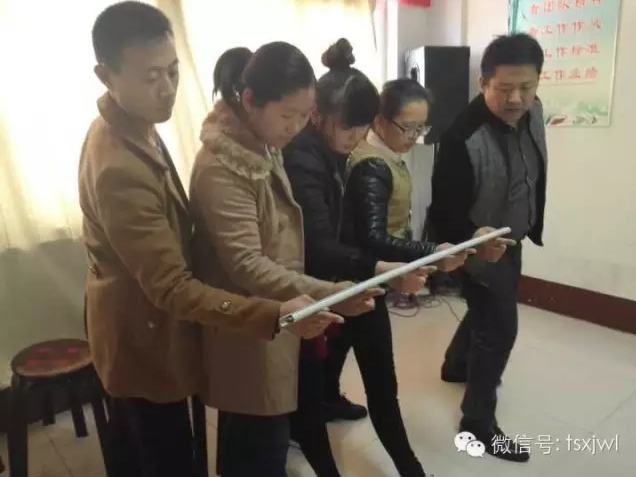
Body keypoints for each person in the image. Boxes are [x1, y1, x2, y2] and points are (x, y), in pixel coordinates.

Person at [79, 4, 342, 476]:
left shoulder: (138, 126)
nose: (168, 88)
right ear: (106, 76)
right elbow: (172, 287)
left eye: (173, 70)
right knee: (163, 457)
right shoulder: (119, 165)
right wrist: (274, 313)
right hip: (143, 337)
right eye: (151, 76)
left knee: (148, 450)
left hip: (151, 326)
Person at [188, 42, 383, 477]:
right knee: (258, 438)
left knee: (258, 435)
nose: (296, 126)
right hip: (248, 323)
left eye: (303, 114)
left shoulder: (263, 142)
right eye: (287, 115)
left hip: (274, 315)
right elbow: (246, 264)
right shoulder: (222, 166)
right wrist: (331, 293)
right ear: (249, 100)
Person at [284, 39, 439, 477]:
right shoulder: (302, 158)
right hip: (316, 288)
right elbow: (317, 243)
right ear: (317, 114)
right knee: (309, 390)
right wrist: (378, 267)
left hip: (352, 277)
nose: (355, 138)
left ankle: (408, 466)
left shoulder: (337, 151)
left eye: (360, 128)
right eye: (349, 129)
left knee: (379, 378)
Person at [428, 33, 547, 462]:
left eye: (526, 87)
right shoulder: (461, 136)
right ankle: (477, 423)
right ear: (483, 83)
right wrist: (474, 240)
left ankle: (456, 365)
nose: (517, 98)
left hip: (512, 238)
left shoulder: (534, 111)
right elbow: (443, 212)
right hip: (478, 246)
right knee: (499, 329)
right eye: (504, 88)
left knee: (488, 311)